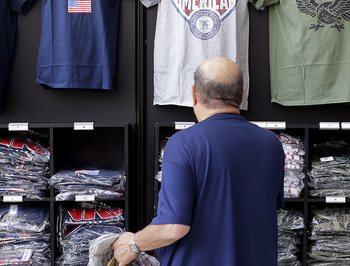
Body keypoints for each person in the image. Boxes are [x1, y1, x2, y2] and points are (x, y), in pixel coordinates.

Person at [113, 56, 285, 265]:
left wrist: (132, 243)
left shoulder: (183, 143)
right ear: (242, 94)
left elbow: (173, 227)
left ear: (194, 94)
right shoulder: (271, 144)